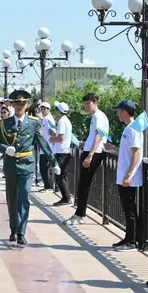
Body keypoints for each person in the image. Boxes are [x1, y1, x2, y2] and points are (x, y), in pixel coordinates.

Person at [0, 90, 59, 246]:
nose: (19, 106)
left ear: (27, 105)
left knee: (24, 197)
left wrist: (54, 162)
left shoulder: (33, 122)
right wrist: (5, 149)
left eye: (22, 103)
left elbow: (42, 143)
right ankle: (13, 228)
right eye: (16, 103)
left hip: (27, 165)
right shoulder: (4, 123)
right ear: (12, 105)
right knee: (12, 199)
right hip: (10, 165)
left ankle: (21, 232)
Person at [64, 92, 109, 226]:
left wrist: (90, 155)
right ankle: (79, 213)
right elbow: (93, 135)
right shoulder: (95, 117)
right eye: (84, 104)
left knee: (84, 184)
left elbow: (99, 136)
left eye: (88, 103)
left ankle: (79, 215)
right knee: (83, 183)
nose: (86, 106)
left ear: (95, 103)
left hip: (94, 153)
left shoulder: (99, 117)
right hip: (89, 150)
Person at [104, 100, 143, 252]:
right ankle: (129, 238)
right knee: (128, 209)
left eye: (119, 111)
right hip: (125, 176)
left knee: (130, 209)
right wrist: (114, 149)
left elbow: (136, 153)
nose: (118, 114)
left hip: (129, 178)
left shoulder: (133, 129)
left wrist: (128, 175)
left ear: (125, 112)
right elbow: (127, 153)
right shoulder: (129, 128)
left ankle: (133, 241)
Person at [50, 102, 73, 206]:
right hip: (64, 151)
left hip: (61, 152)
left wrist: (52, 139)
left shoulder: (61, 121)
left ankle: (66, 198)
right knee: (62, 175)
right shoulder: (66, 121)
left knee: (59, 176)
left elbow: (61, 138)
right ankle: (66, 197)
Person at [37, 102, 56, 192]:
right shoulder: (44, 119)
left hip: (48, 147)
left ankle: (49, 186)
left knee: (45, 167)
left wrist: (51, 141)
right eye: (42, 108)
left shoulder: (49, 119)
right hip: (43, 146)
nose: (43, 110)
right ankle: (47, 185)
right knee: (43, 167)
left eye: (45, 109)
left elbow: (53, 131)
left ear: (48, 109)